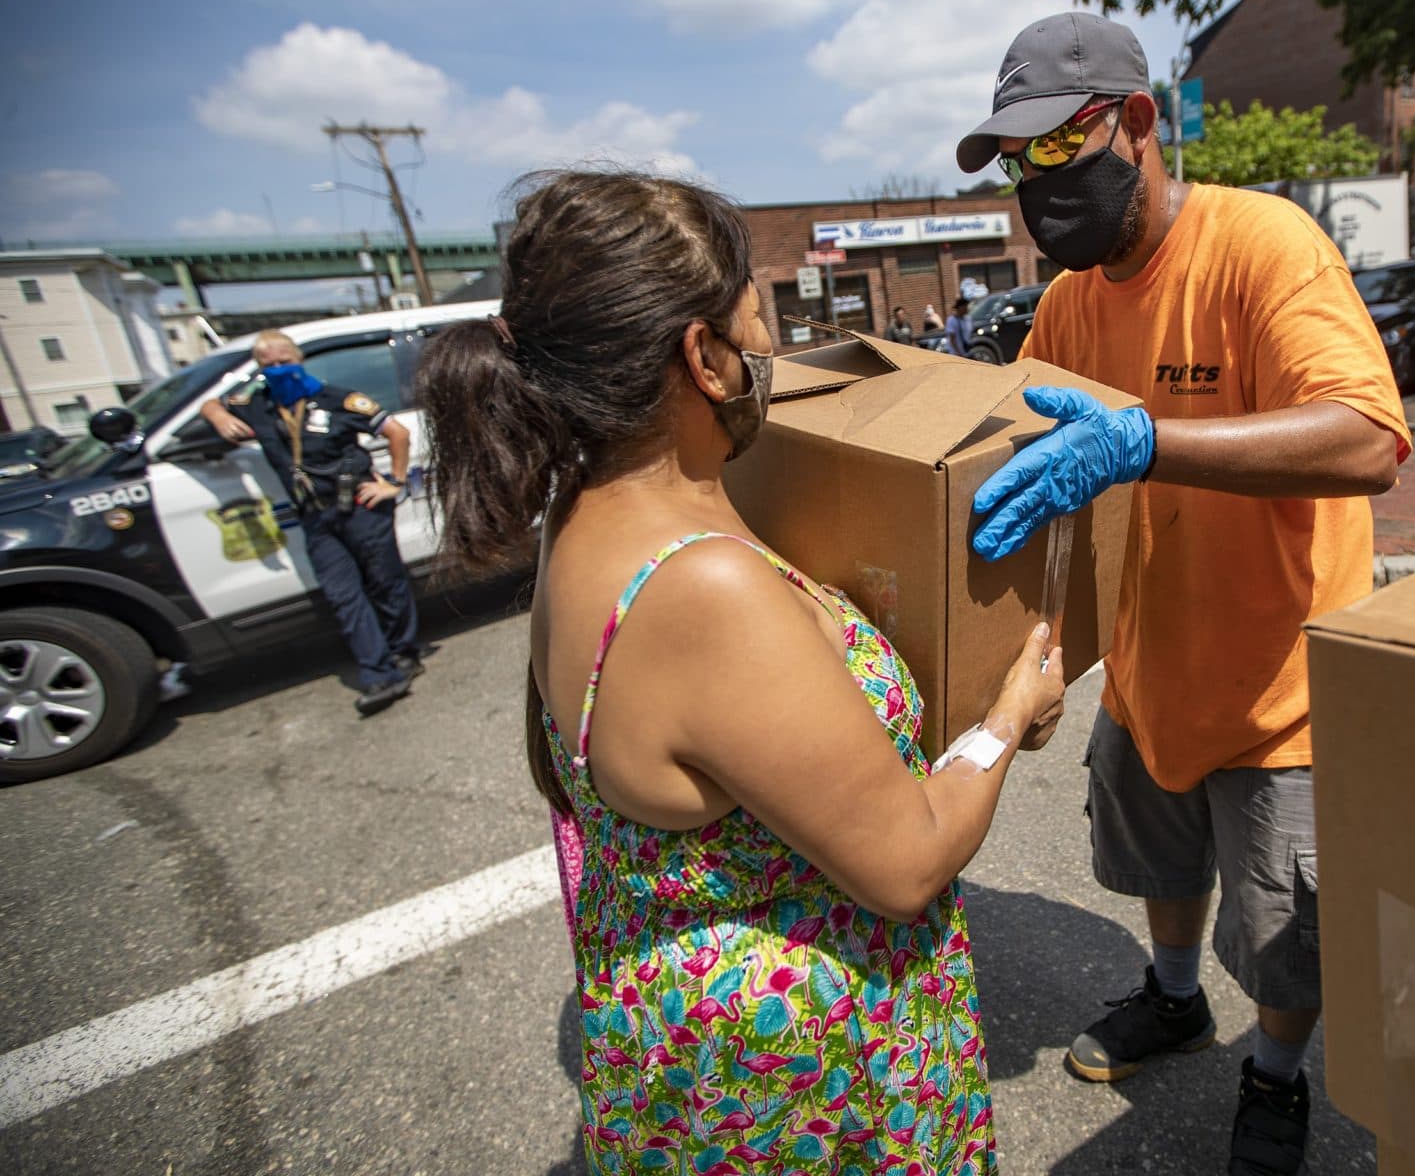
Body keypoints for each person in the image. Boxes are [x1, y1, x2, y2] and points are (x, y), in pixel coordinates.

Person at [416, 170, 1065, 1173]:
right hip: (799, 1082)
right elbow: (906, 862)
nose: (777, 343)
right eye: (760, 307)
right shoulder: (707, 588)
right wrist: (1006, 711)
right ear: (702, 354)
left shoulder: (579, 515)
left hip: (685, 1057)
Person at [955, 13, 1411, 1175]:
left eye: (1059, 147)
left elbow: (1366, 436)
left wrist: (1151, 441)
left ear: (1139, 123)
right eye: (1019, 162)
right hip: (1152, 671)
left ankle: (1275, 1070)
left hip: (1281, 684)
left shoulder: (1263, 246)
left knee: (1281, 930)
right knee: (1161, 863)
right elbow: (1036, 478)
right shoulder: (1067, 305)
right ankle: (1173, 999)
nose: (1037, 183)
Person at [200, 330, 422, 715]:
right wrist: (218, 415)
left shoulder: (337, 399)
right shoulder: (258, 406)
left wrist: (394, 483)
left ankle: (403, 651)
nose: (277, 369)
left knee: (386, 582)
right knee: (343, 596)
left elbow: (397, 433)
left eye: (284, 360)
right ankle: (379, 674)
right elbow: (209, 404)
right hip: (316, 516)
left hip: (360, 507)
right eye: (267, 365)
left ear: (299, 359)